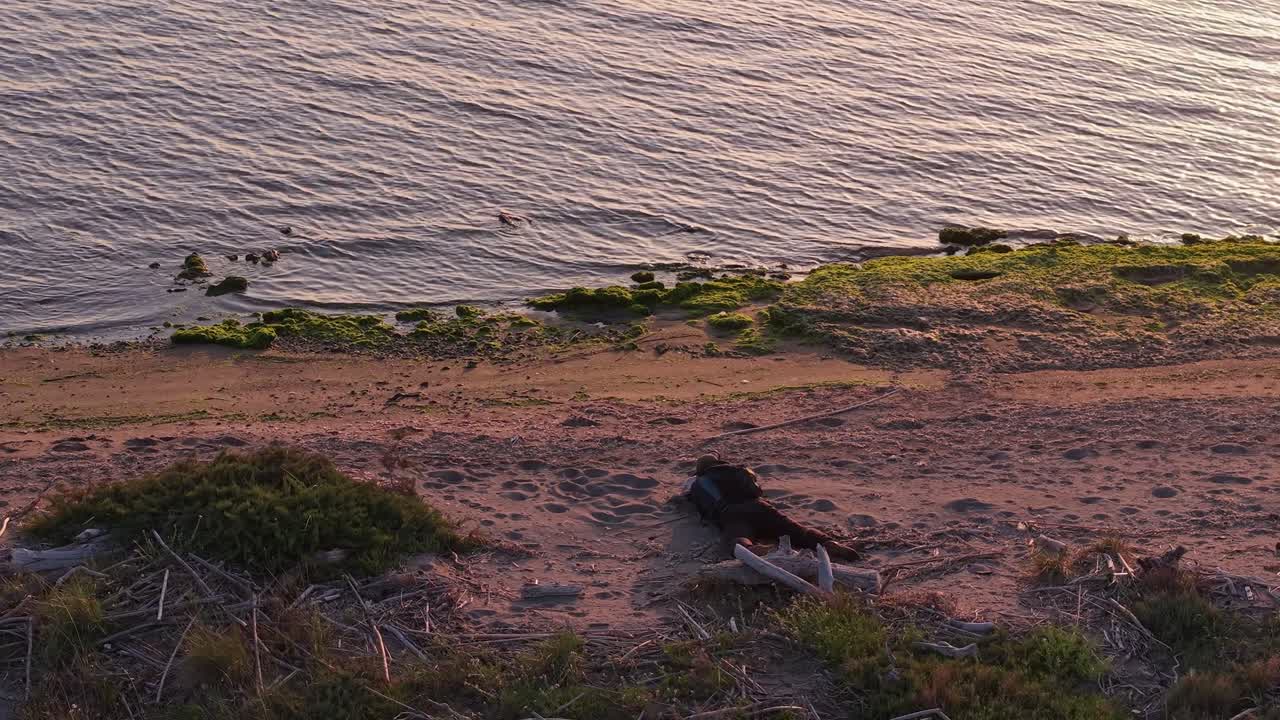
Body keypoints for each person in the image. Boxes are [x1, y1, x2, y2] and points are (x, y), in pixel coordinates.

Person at [684, 454, 861, 561]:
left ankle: (750, 549)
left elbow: (699, 505)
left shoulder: (700, 482)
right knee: (796, 531)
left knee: (736, 537)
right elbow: (757, 489)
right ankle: (828, 543)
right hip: (760, 506)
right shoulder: (735, 471)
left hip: (732, 513)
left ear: (701, 470)